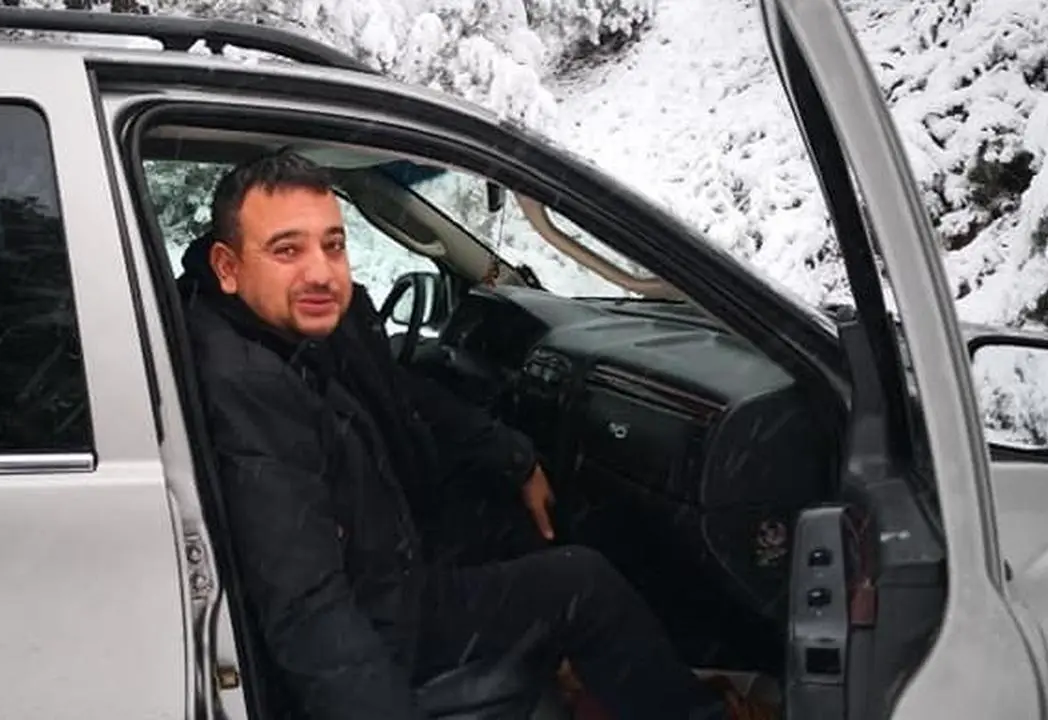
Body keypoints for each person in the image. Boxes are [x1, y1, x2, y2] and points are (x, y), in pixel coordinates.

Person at [181, 148, 762, 720]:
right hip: (387, 614)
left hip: (389, 558)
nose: (320, 272)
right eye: (287, 249)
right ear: (227, 268)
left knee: (519, 523)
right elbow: (307, 608)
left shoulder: (284, 336)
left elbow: (402, 395)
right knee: (584, 584)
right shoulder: (249, 387)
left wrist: (514, 459)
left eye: (333, 245)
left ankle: (591, 681)